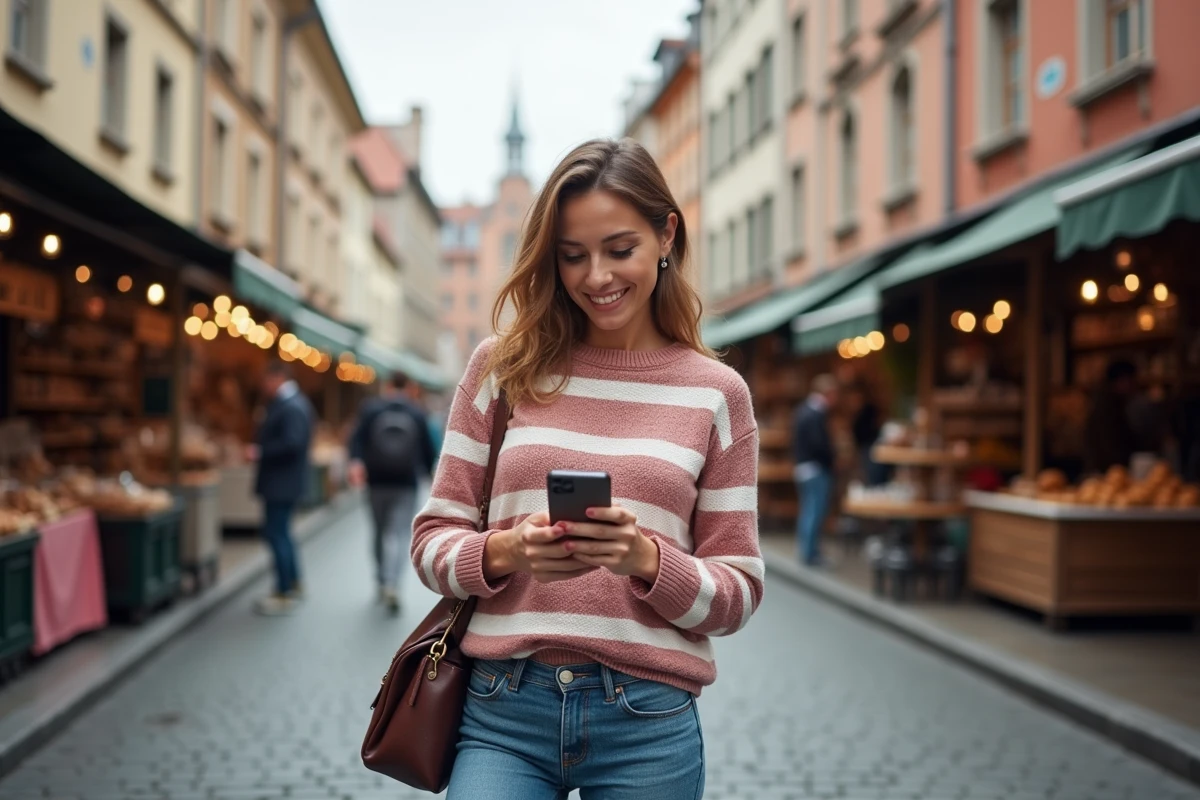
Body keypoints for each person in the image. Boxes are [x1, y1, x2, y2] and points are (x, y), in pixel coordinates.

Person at [411, 138, 762, 800]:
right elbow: (430, 544)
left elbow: (738, 592)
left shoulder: (717, 394)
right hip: (502, 711)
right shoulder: (502, 369)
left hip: (648, 722)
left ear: (666, 235)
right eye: (572, 256)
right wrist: (507, 551)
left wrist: (647, 561)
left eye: (619, 249)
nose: (596, 276)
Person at [347, 371, 436, 615]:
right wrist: (429, 476)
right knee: (398, 533)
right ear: (408, 387)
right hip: (406, 483)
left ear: (387, 386)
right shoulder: (417, 412)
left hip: (376, 481)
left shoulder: (371, 408)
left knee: (378, 531)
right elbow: (428, 449)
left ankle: (381, 579)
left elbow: (356, 440)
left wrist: (356, 462)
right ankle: (393, 583)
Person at [247, 361, 314, 616]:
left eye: (266, 380)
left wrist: (261, 452)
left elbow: (292, 443)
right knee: (282, 534)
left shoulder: (290, 406)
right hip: (285, 483)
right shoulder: (293, 403)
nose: (264, 386)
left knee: (276, 534)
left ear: (277, 378)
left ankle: (284, 589)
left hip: (281, 483)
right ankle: (293, 583)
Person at [793, 374, 839, 567]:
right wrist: (832, 459)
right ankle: (811, 553)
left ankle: (807, 550)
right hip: (815, 468)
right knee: (815, 511)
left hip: (802, 467)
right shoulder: (816, 413)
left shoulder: (802, 410)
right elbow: (819, 444)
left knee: (808, 510)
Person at [1083, 359, 1137, 475]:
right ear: (1121, 380)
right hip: (1105, 473)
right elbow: (1107, 447)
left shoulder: (1112, 403)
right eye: (1131, 381)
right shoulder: (1107, 406)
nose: (1133, 386)